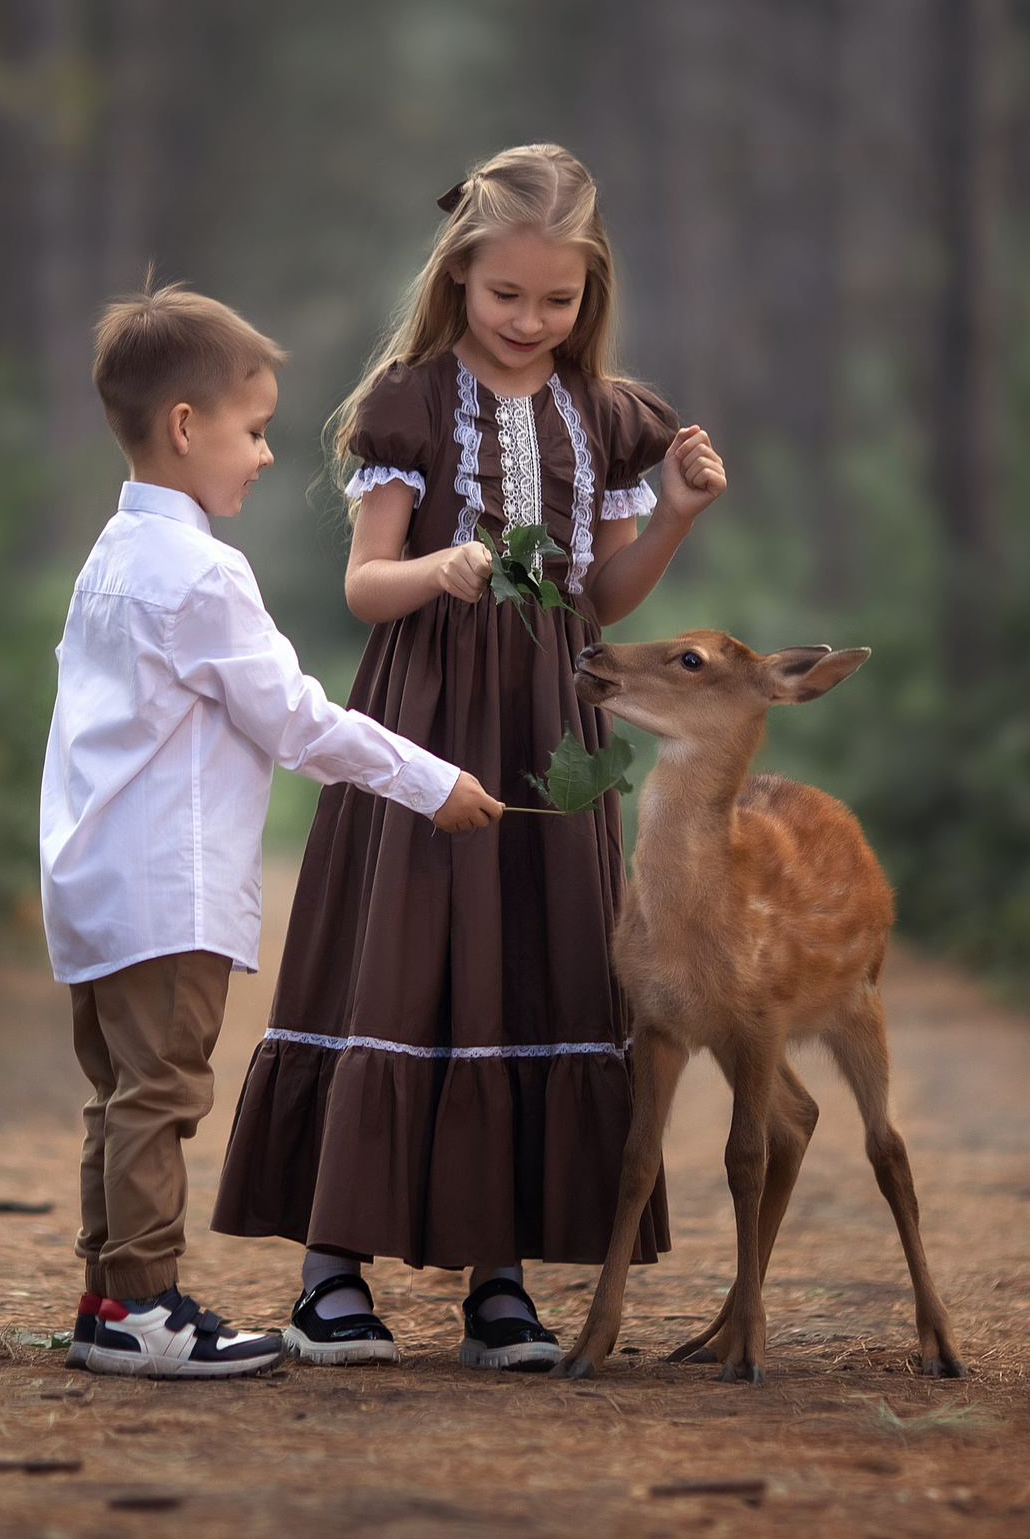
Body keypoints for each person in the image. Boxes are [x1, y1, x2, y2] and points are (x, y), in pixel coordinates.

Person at [211, 143, 728, 1371]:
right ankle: (330, 1271)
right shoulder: (408, 402)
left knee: (523, 961)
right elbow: (362, 588)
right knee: (401, 951)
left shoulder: (606, 418)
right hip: (423, 718)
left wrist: (682, 515)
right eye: (506, 296)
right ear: (459, 279)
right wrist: (437, 570)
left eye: (557, 302)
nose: (529, 321)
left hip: (549, 722)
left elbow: (598, 603)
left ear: (588, 296)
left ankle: (498, 1277)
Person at [41, 282, 504, 1380]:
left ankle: (108, 1294)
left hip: (94, 881)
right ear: (186, 427)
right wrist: (430, 780)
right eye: (252, 432)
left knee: (121, 1099)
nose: (261, 456)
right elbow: (296, 719)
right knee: (161, 1097)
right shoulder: (202, 573)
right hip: (167, 888)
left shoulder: (111, 558)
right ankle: (143, 1307)